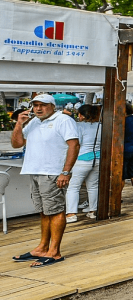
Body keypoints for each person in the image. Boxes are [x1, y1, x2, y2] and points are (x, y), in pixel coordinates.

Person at [10, 94, 80, 267]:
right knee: (44, 211)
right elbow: (17, 144)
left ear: (52, 106)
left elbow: (74, 145)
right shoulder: (33, 122)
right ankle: (42, 247)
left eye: (43, 105)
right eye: (36, 105)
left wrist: (65, 171)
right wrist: (19, 123)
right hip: (34, 171)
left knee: (55, 210)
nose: (38, 108)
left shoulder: (63, 120)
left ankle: (54, 252)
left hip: (53, 172)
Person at [66, 105, 101, 223]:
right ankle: (93, 211)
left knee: (73, 187)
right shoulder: (101, 126)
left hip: (82, 159)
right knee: (93, 186)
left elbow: (76, 143)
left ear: (81, 115)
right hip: (98, 158)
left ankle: (71, 214)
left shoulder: (79, 126)